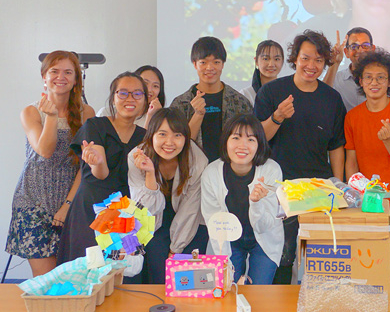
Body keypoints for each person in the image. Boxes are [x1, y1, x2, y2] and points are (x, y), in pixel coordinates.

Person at [254, 29, 346, 284]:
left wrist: (337, 186)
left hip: (319, 190)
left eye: (318, 60)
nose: (311, 66)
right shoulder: (272, 92)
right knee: (282, 258)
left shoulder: (332, 99)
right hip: (279, 190)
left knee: (320, 260)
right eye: (306, 58)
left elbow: (337, 146)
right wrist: (277, 117)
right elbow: (257, 138)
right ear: (295, 58)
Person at [6, 51, 95, 276]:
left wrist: (67, 205)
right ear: (44, 77)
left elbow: (83, 167)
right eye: (54, 71)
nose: (60, 77)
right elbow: (45, 151)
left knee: (69, 276)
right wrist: (52, 117)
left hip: (70, 202)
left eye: (68, 72)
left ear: (76, 80)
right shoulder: (31, 111)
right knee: (46, 279)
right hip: (32, 201)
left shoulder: (87, 113)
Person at [343, 49, 390, 312]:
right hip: (368, 206)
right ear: (360, 82)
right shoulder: (352, 117)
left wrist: (388, 139)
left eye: (381, 77)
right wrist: (357, 197)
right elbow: (351, 164)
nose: (374, 83)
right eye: (368, 77)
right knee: (370, 274)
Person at [56, 71, 148, 264]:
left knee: (125, 272)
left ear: (145, 101)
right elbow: (101, 174)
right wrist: (97, 162)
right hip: (91, 210)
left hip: (126, 216)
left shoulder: (146, 137)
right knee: (86, 272)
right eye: (123, 93)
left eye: (137, 94)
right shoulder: (95, 125)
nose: (130, 98)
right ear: (113, 98)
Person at [127, 108, 209, 284]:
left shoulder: (197, 160)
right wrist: (150, 174)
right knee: (159, 271)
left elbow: (190, 209)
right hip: (154, 220)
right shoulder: (136, 157)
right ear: (151, 135)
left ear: (185, 138)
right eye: (162, 134)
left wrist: (176, 249)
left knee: (186, 277)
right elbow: (143, 209)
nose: (169, 142)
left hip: (191, 223)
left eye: (177, 135)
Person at [201, 114, 283, 285]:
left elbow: (264, 225)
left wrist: (256, 203)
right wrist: (226, 266)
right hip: (228, 240)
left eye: (251, 139)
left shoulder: (270, 170)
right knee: (228, 290)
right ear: (226, 141)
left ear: (259, 144)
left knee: (259, 293)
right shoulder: (211, 172)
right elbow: (214, 222)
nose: (242, 146)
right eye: (236, 138)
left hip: (264, 239)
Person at [170, 36, 253, 163]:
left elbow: (251, 140)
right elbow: (176, 145)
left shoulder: (240, 102)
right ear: (194, 64)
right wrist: (197, 115)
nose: (210, 68)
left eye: (216, 62)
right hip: (192, 173)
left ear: (223, 64)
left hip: (230, 171)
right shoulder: (181, 103)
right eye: (203, 62)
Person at [323, 27, 390, 111]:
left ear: (372, 49)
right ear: (346, 52)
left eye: (365, 46)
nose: (360, 50)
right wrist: (335, 63)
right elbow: (320, 98)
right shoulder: (337, 79)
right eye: (354, 46)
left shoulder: (389, 79)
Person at [97, 65, 166, 128]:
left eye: (155, 86)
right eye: (145, 83)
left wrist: (152, 117)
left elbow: (147, 141)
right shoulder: (105, 113)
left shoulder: (159, 119)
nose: (149, 90)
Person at [240, 40, 284, 106]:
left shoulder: (288, 93)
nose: (271, 64)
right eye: (266, 59)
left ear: (282, 62)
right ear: (256, 61)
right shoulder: (246, 94)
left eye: (276, 59)